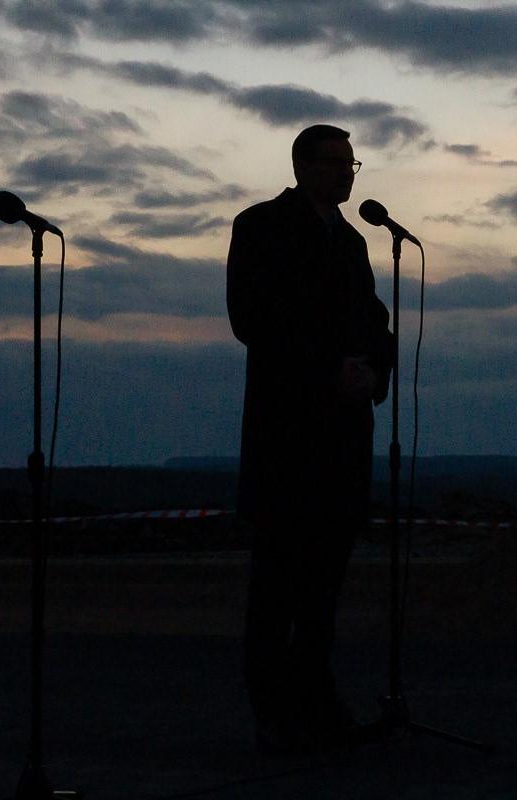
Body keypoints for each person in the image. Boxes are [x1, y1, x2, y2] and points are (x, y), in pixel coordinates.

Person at [226, 123, 395, 754]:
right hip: (287, 439)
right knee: (277, 584)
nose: (350, 173)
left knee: (324, 587)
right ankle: (274, 708)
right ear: (305, 166)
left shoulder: (352, 242)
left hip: (344, 441)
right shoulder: (261, 227)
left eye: (354, 163)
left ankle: (317, 700)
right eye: (338, 162)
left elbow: (373, 320)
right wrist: (331, 370)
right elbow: (255, 318)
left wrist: (374, 370)